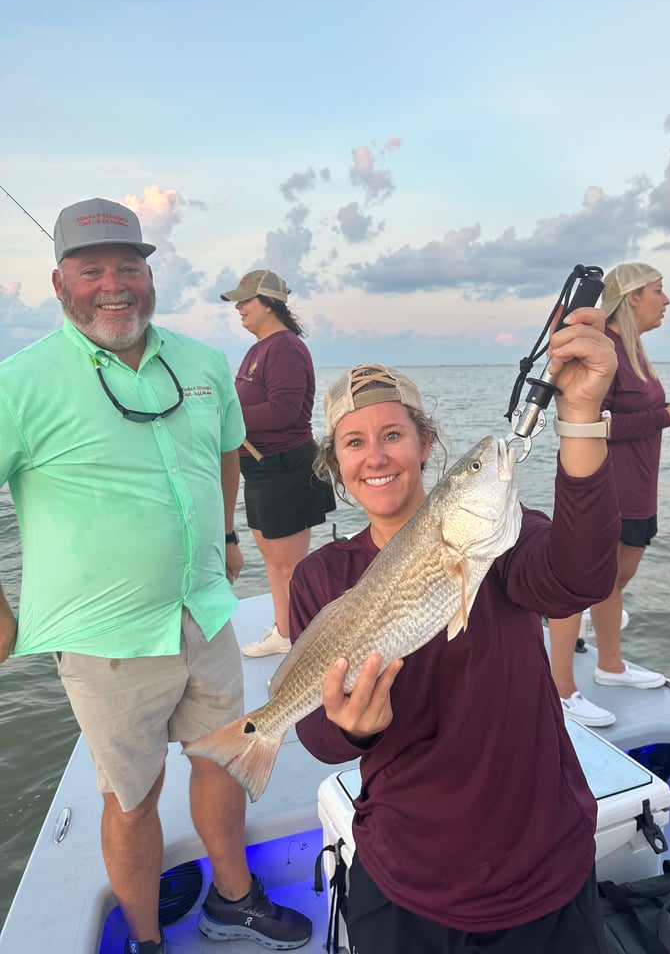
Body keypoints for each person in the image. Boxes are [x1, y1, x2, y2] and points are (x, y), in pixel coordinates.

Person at [0, 200, 312, 954]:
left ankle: (232, 898)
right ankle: (145, 941)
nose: (115, 286)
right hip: (105, 643)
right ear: (59, 281)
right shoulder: (20, 381)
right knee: (132, 802)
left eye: (130, 267)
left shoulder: (203, 364)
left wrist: (230, 535)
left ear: (150, 275)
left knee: (227, 760)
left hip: (205, 613)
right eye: (92, 269)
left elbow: (230, 447)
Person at [287, 305, 621, 954]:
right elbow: (322, 740)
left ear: (425, 446)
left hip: (541, 861)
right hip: (404, 868)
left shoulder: (498, 537)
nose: (376, 456)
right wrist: (353, 725)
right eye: (355, 442)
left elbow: (579, 579)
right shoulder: (321, 578)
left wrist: (580, 416)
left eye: (393, 434)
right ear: (336, 462)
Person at [548, 262, 670, 728]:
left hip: (639, 490)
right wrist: (661, 416)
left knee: (614, 580)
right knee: (578, 584)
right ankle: (560, 690)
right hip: (605, 488)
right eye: (658, 290)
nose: (665, 300)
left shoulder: (635, 350)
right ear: (631, 297)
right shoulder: (604, 347)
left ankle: (610, 666)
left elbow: (640, 414)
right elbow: (595, 422)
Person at [220, 270, 335, 658]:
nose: (238, 308)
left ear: (269, 303)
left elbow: (285, 411)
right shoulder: (259, 348)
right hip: (261, 470)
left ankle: (299, 638)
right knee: (272, 560)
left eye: (245, 300)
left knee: (289, 566)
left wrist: (223, 416)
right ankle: (286, 631)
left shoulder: (283, 347)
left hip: (287, 467)